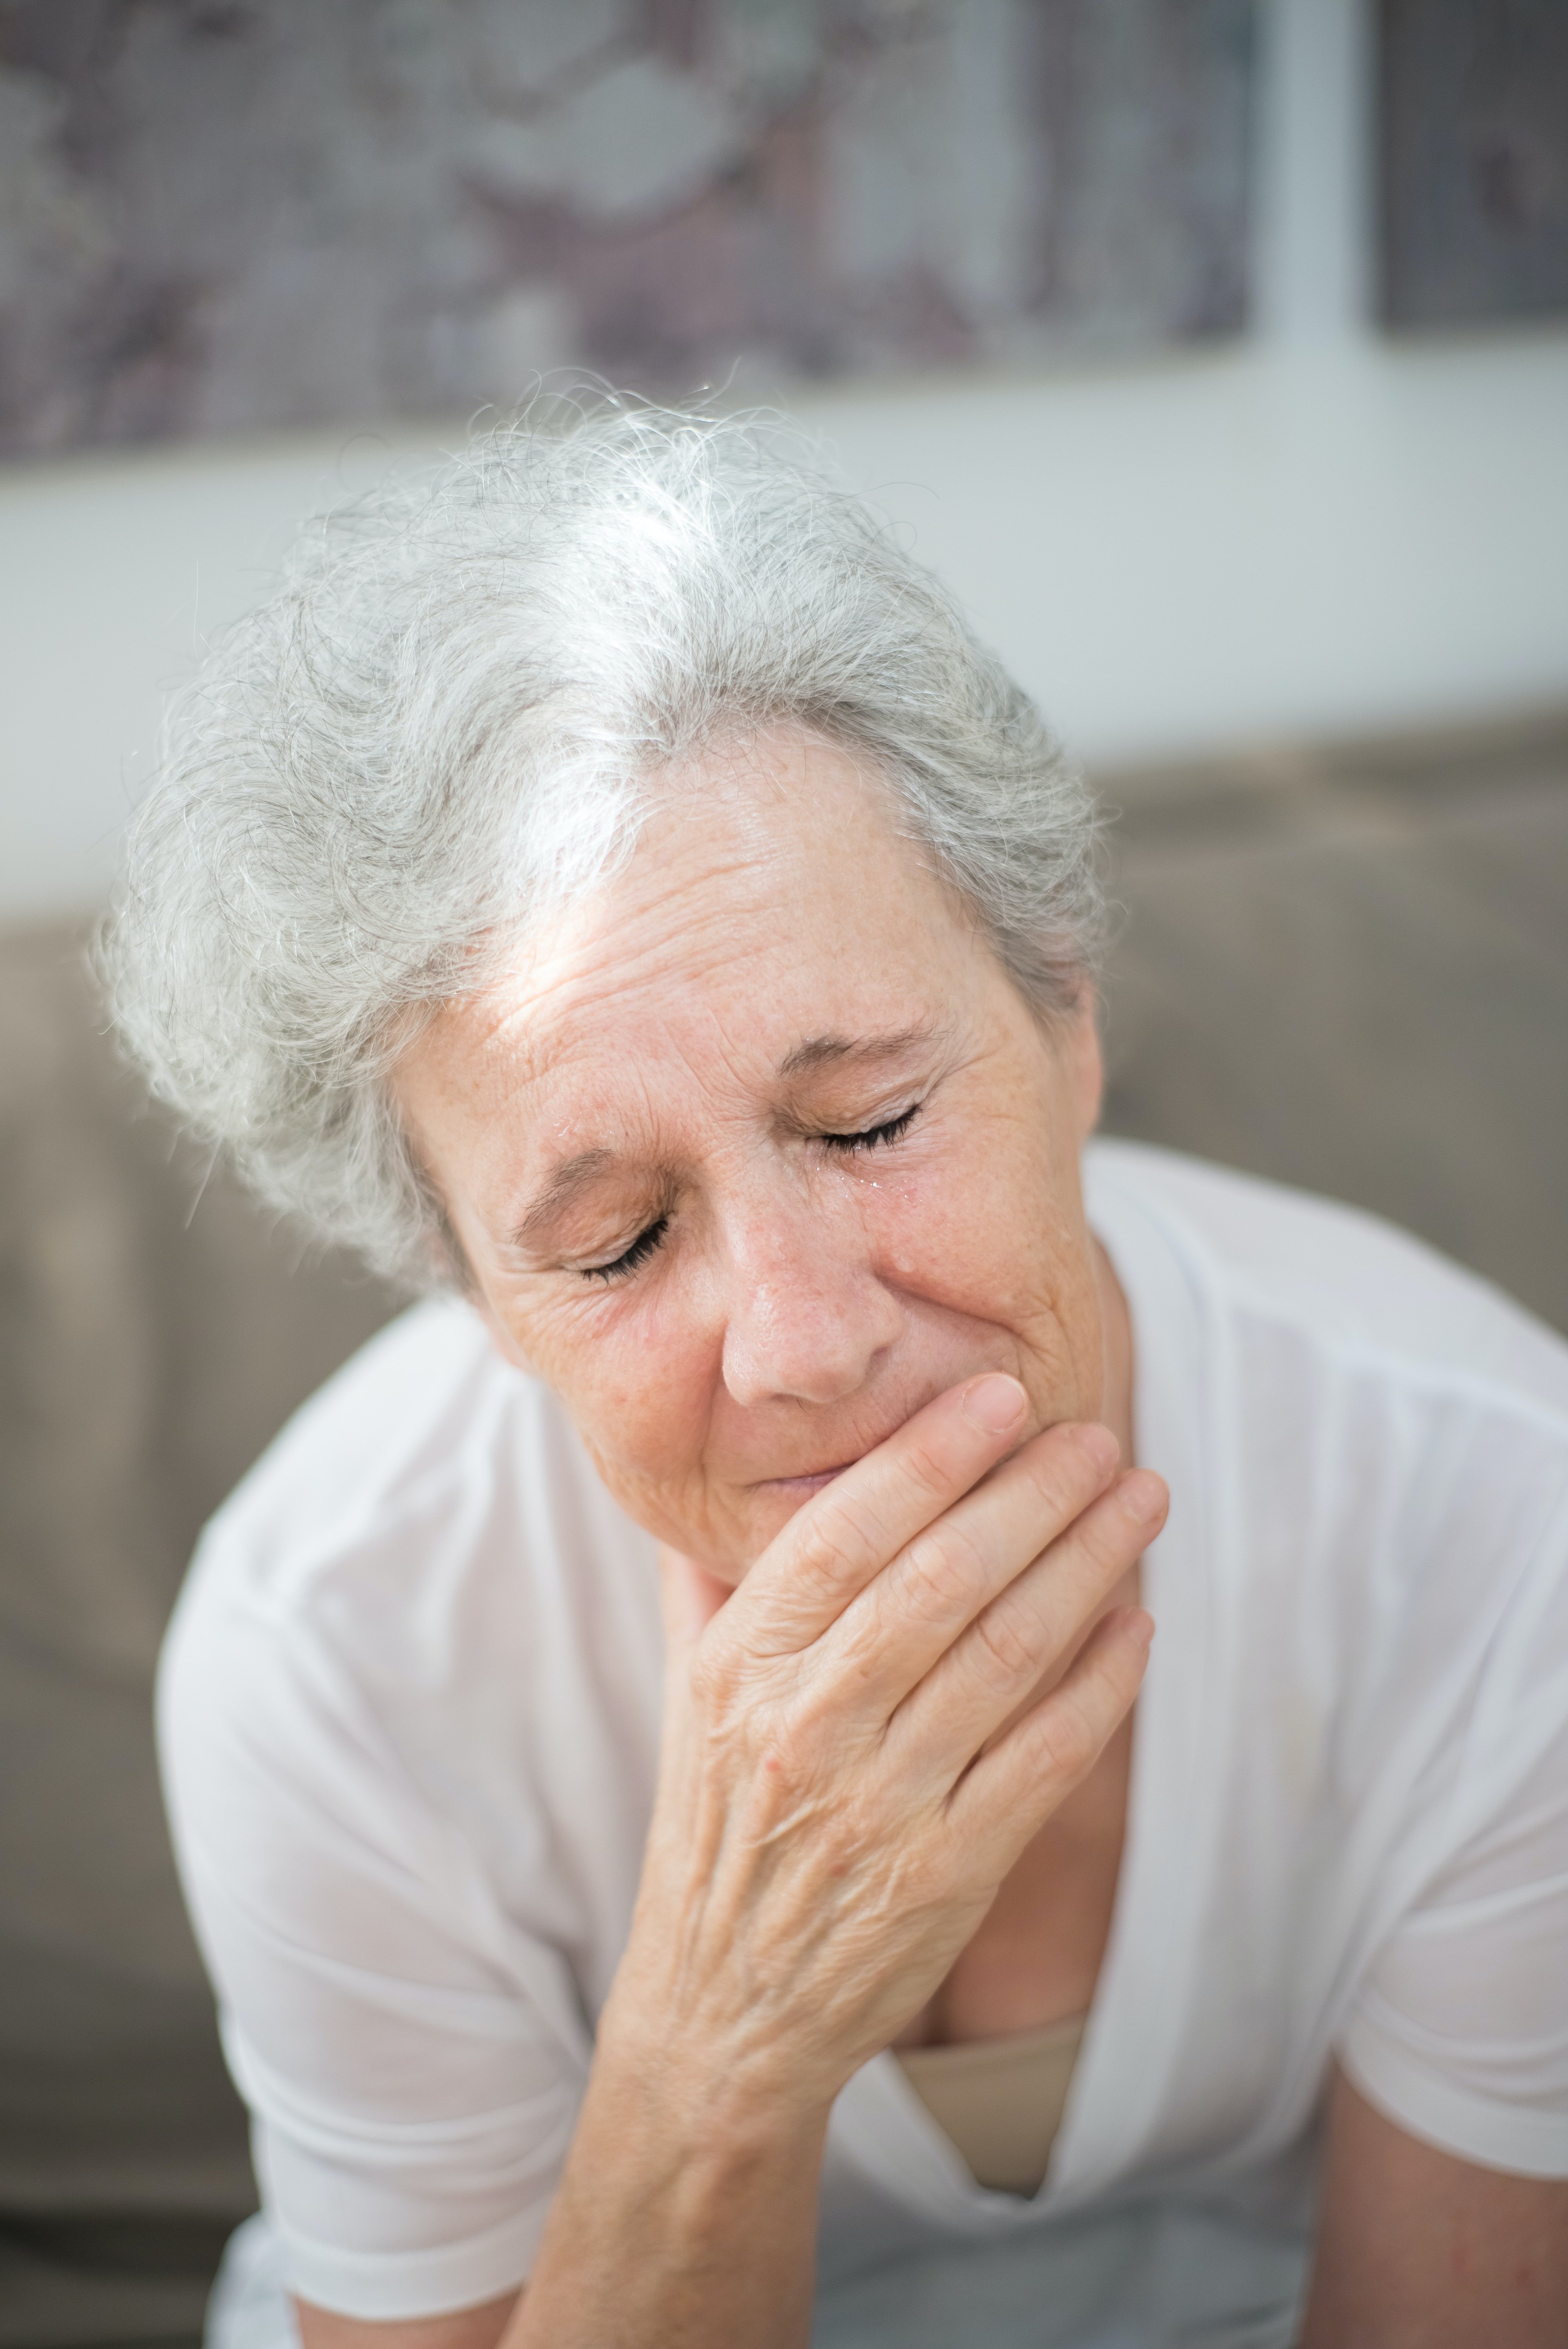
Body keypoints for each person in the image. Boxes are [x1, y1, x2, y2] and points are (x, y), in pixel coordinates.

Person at [105, 405, 1568, 2349]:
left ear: (1064, 1020)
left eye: (869, 1119)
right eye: (615, 1241)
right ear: (468, 1290)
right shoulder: (333, 1650)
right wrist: (718, 2047)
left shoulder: (1492, 1519)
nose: (806, 1342)